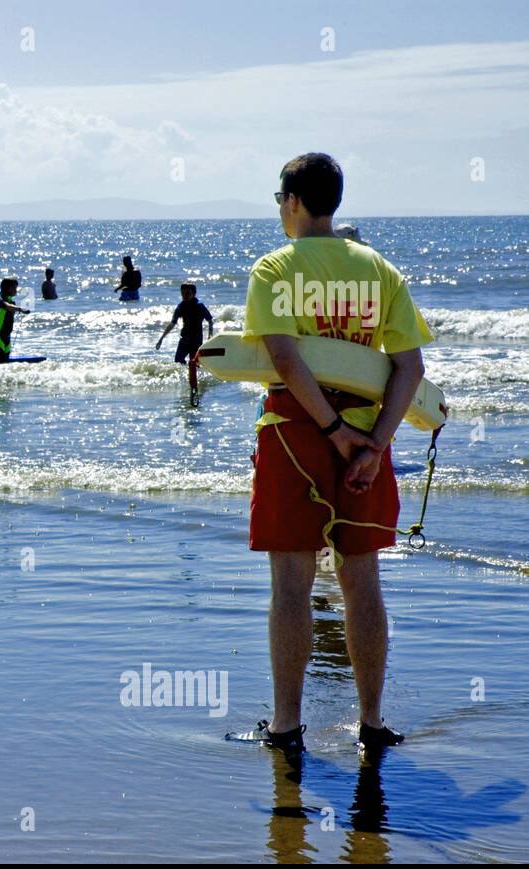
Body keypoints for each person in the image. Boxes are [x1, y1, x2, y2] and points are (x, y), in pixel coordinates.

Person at [231, 152, 431, 753]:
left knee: (291, 582)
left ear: (292, 202)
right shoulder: (381, 271)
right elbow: (409, 368)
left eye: (278, 202)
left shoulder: (274, 267)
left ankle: (287, 726)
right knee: (361, 580)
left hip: (296, 434)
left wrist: (330, 430)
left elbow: (285, 358)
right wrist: (374, 442)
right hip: (368, 440)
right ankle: (371, 723)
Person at [156, 283, 213, 400]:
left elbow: (210, 320)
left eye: (187, 293)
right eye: (182, 293)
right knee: (178, 361)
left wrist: (210, 336)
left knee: (194, 364)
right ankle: (186, 380)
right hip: (184, 340)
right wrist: (161, 338)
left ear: (194, 293)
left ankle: (195, 384)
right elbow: (172, 323)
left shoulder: (199, 306)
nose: (185, 296)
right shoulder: (181, 306)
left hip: (196, 340)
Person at [0, 278, 30, 362]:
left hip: (6, 336)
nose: (15, 290)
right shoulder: (1, 302)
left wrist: (21, 309)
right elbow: (8, 307)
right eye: (13, 288)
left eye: (16, 287)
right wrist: (20, 309)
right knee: (0, 362)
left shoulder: (12, 302)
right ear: (5, 288)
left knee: (5, 363)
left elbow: (12, 307)